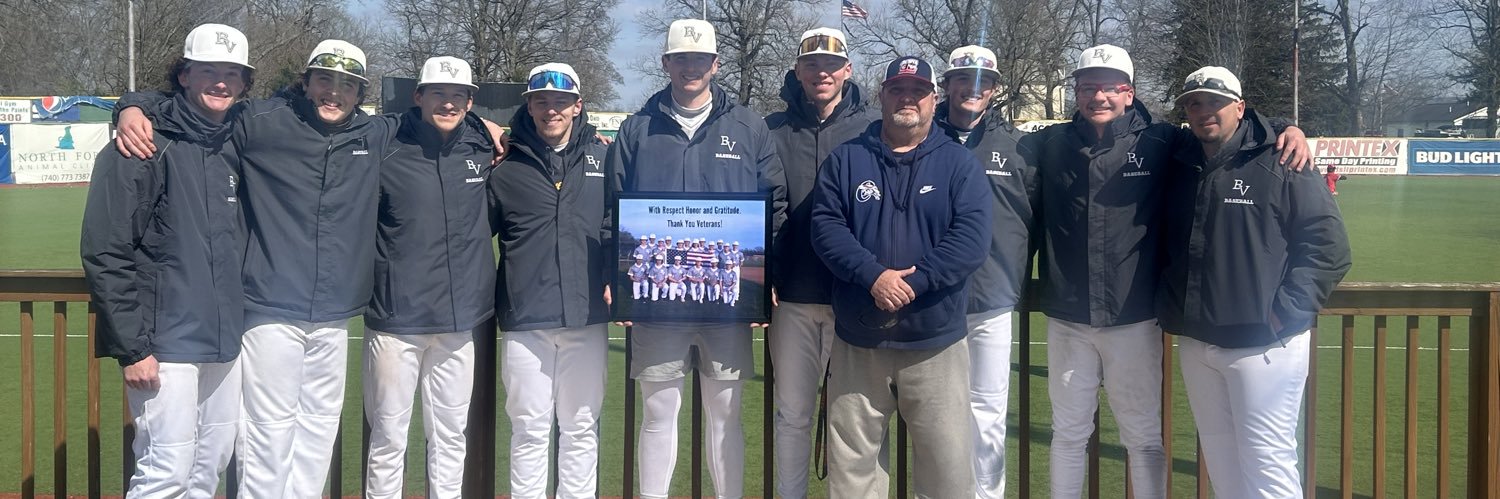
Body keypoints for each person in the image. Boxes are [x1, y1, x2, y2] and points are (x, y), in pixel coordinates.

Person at [1019, 44, 1310, 499]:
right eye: (1088, 86)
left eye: (1110, 87)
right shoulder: (1048, 143)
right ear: (1075, 92)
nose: (1099, 96)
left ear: (1129, 93)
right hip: (1068, 317)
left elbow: (1226, 124)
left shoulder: (1164, 140)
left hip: (1134, 317)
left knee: (1143, 437)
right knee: (1069, 432)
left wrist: (1284, 127)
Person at [605, 18, 788, 499]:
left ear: (715, 64)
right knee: (658, 413)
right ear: (666, 63)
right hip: (658, 308)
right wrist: (615, 280)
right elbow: (612, 205)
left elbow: (777, 205)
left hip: (725, 309)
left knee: (725, 415)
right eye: (681, 58)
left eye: (700, 59)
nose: (691, 67)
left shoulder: (748, 127)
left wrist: (771, 273)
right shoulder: (637, 128)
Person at [1158, 66, 1351, 498]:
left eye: (1215, 102)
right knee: (1223, 463)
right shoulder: (1181, 159)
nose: (1204, 111)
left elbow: (1329, 246)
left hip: (1264, 343)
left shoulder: (1283, 159)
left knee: (1267, 465)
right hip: (1197, 340)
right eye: (1194, 103)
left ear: (1240, 108)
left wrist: (1284, 312)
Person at [82, 23, 253, 497]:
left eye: (233, 73)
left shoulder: (235, 140)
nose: (221, 82)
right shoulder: (138, 146)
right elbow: (105, 250)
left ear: (243, 83)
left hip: (223, 341)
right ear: (183, 75)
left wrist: (131, 101)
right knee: (165, 472)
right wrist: (132, 348)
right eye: (208, 71)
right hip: (163, 345)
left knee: (209, 466)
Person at [810, 55, 992, 498]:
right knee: (853, 472)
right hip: (859, 338)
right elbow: (826, 228)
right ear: (881, 96)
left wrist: (913, 282)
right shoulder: (846, 159)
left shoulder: (958, 162)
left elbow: (971, 238)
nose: (906, 99)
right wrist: (874, 277)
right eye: (897, 90)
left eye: (917, 91)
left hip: (935, 342)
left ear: (934, 99)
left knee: (946, 472)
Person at [362, 56, 495, 499]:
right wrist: (134, 105)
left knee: (450, 437)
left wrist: (493, 127)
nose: (448, 102)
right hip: (397, 321)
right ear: (418, 96)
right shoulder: (387, 143)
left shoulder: (480, 144)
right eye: (438, 93)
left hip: (458, 321)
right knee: (388, 438)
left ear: (471, 103)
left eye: (458, 95)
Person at [489, 62, 613, 499]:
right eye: (541, 100)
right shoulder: (503, 164)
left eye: (561, 101)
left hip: (587, 315)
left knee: (580, 426)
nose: (550, 109)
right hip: (526, 318)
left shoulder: (604, 158)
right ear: (529, 104)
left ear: (578, 106)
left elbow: (618, 227)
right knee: (528, 427)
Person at [762, 28, 877, 498]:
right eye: (811, 66)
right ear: (798, 72)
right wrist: (764, 274)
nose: (821, 73)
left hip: (853, 295)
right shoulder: (770, 128)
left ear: (847, 71)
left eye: (831, 66)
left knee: (854, 421)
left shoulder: (873, 127)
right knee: (792, 413)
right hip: (791, 297)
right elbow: (762, 207)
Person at [932, 44, 1038, 499]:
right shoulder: (920, 137)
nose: (971, 89)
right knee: (934, 413)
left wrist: (1279, 126)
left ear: (994, 90)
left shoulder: (1022, 146)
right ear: (948, 86)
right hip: (933, 298)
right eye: (962, 79)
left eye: (982, 81)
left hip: (992, 300)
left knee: (989, 412)